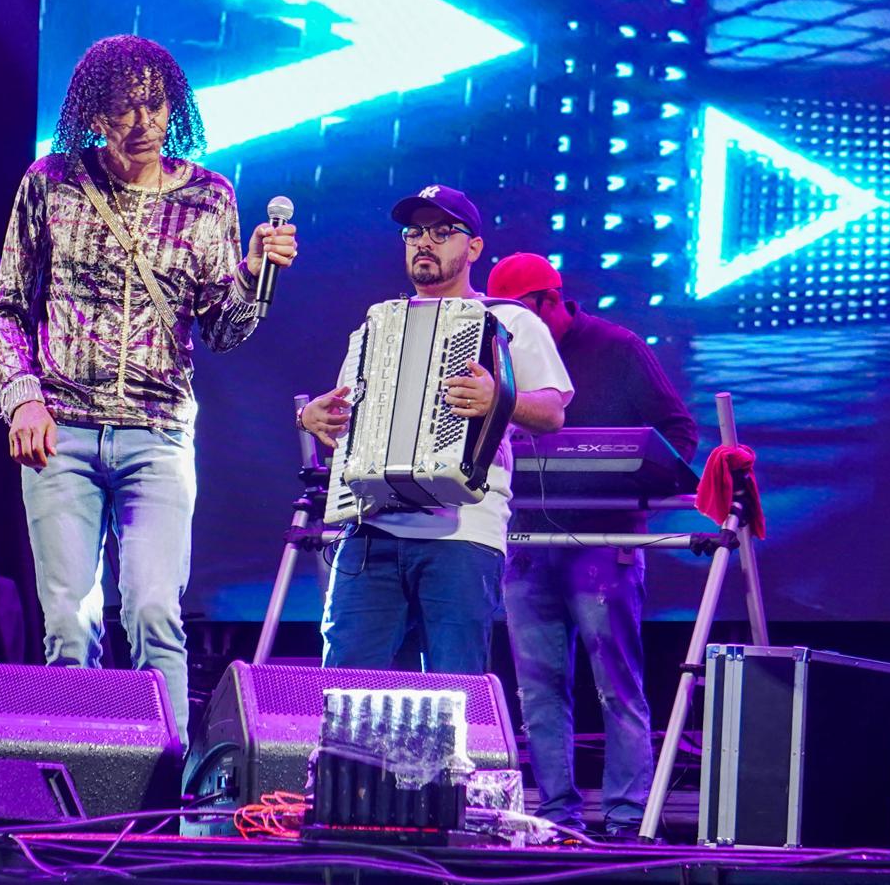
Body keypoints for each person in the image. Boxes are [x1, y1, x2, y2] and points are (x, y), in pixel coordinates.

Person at [0, 35, 298, 739]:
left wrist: (254, 273)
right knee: (70, 624)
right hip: (61, 432)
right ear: (94, 114)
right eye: (124, 107)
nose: (142, 122)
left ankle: (166, 782)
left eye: (155, 105)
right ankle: (78, 772)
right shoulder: (51, 183)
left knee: (155, 613)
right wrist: (23, 396)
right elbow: (7, 306)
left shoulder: (208, 198)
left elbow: (223, 331)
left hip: (158, 436)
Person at [298, 186, 571, 675]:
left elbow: (552, 413)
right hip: (371, 528)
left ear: (474, 247)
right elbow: (351, 421)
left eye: (443, 231)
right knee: (346, 687)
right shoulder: (377, 325)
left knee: (454, 692)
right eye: (414, 232)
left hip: (464, 532)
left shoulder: (508, 321)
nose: (424, 241)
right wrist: (317, 417)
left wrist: (500, 399)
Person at [485, 252, 698, 836]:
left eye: (520, 317)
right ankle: (555, 815)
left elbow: (678, 432)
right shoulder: (498, 351)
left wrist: (634, 481)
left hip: (605, 540)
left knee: (616, 685)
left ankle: (626, 819)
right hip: (526, 540)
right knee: (537, 689)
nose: (512, 331)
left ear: (551, 302)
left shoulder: (618, 348)